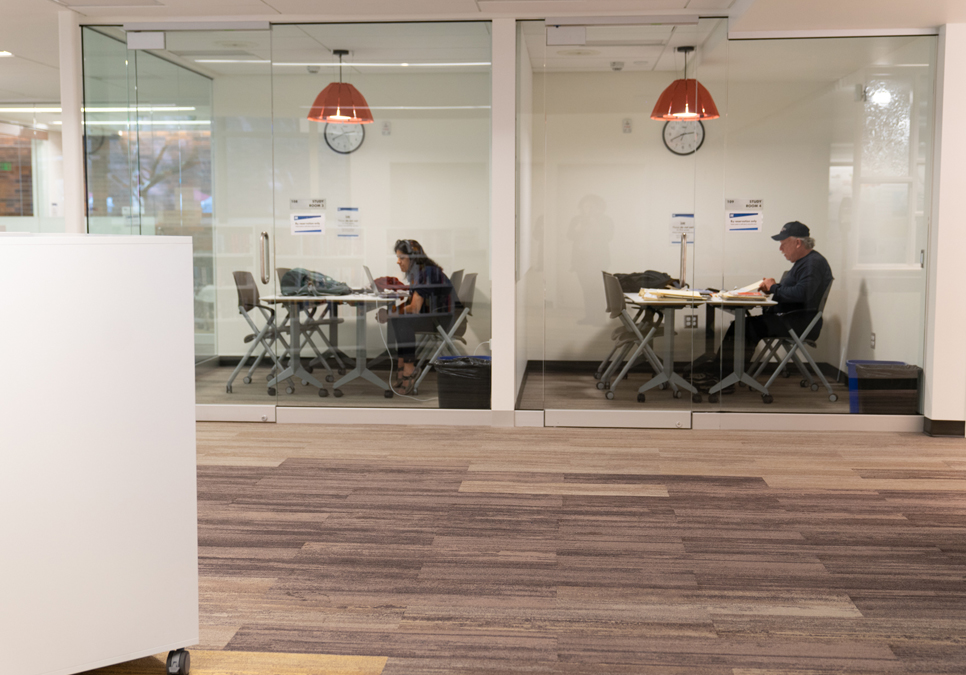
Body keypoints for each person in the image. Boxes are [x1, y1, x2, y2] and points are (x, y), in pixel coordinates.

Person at [702, 221, 834, 389]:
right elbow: (795, 292)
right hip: (789, 318)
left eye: (783, 244)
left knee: (743, 327)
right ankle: (723, 374)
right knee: (743, 326)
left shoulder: (812, 264)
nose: (780, 249)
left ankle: (722, 378)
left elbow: (802, 294)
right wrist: (771, 290)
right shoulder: (805, 263)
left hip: (797, 322)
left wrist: (773, 287)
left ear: (798, 243)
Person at [386, 239, 460, 394]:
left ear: (413, 258)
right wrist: (392, 312)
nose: (398, 262)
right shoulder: (422, 270)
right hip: (439, 316)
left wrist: (390, 313)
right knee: (396, 317)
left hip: (444, 320)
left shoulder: (425, 273)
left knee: (402, 320)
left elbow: (414, 308)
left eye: (402, 258)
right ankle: (402, 366)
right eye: (397, 258)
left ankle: (408, 370)